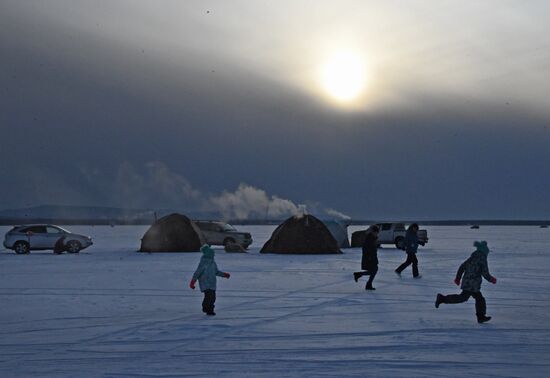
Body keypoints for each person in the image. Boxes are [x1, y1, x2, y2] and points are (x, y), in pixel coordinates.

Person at [435, 241, 497, 323]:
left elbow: (462, 267)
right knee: (477, 299)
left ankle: (481, 317)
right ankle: (442, 298)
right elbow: (484, 272)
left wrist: (458, 278)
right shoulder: (482, 258)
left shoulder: (472, 257)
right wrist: (491, 279)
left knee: (470, 298)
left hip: (467, 282)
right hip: (473, 284)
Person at [189, 244, 230, 316]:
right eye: (212, 254)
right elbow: (197, 273)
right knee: (208, 296)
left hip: (212, 283)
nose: (213, 255)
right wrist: (192, 282)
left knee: (213, 297)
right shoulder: (203, 263)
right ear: (208, 254)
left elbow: (216, 272)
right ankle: (206, 308)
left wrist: (224, 274)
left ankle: (210, 309)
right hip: (205, 283)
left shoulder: (213, 263)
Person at [353, 225, 379, 290]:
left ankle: (360, 275)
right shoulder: (369, 239)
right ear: (373, 232)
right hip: (369, 258)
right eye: (375, 232)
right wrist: (369, 257)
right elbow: (366, 249)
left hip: (372, 257)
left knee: (373, 270)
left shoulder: (372, 238)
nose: (377, 233)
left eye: (377, 232)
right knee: (374, 270)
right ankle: (368, 284)